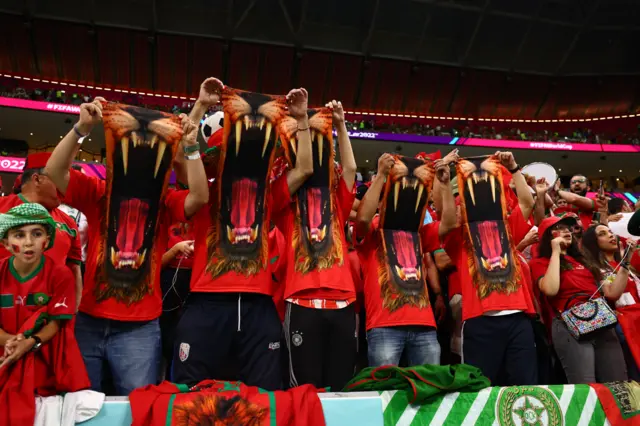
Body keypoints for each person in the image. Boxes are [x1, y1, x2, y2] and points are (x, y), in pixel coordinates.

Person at [44, 92, 210, 395]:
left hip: (140, 327)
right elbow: (53, 174)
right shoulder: (98, 193)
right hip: (90, 320)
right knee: (82, 406)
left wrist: (191, 146)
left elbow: (199, 196)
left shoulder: (164, 201)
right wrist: (81, 128)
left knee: (137, 409)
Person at [172, 86, 313, 391]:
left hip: (257, 305)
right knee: (189, 394)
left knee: (265, 396)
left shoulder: (268, 194)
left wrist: (302, 119)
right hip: (207, 302)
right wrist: (198, 107)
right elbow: (181, 166)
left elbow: (304, 168)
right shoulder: (204, 194)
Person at [276, 100, 358, 391]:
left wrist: (340, 124)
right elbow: (304, 168)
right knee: (304, 390)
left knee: (341, 386)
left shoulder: (337, 202)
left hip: (343, 302)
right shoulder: (283, 200)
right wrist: (301, 122)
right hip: (301, 302)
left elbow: (350, 168)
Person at [438, 151, 538, 386]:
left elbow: (527, 202)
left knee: (525, 385)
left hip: (517, 318)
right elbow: (449, 221)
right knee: (481, 388)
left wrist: (514, 168)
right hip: (479, 320)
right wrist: (444, 183)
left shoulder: (508, 228)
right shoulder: (460, 239)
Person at [355, 152, 456, 367]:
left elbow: (448, 223)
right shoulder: (373, 232)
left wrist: (445, 184)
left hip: (424, 325)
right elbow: (362, 218)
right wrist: (381, 175)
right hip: (384, 325)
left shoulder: (418, 232)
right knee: (386, 393)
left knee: (429, 391)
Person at [0, 203, 89, 426]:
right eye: (19, 235)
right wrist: (13, 342)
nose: (28, 242)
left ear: (47, 241)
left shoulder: (61, 275)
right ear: (5, 243)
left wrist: (29, 342)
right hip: (5, 356)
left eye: (36, 234)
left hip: (45, 362)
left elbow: (56, 324)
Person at [530, 216, 628, 384]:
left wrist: (625, 262)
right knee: (586, 386)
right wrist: (555, 251)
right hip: (568, 325)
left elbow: (611, 293)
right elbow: (550, 289)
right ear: (548, 236)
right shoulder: (539, 262)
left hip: (601, 320)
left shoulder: (583, 259)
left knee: (618, 384)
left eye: (568, 228)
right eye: (559, 228)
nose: (566, 231)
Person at [0, 153, 83, 312]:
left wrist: (72, 311)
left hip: (50, 320)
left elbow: (74, 270)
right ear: (37, 179)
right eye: (61, 179)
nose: (67, 186)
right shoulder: (2, 209)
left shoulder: (69, 223)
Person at [582, 224, 640, 380]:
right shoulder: (595, 268)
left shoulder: (627, 267)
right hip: (624, 326)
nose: (610, 235)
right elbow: (613, 293)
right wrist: (626, 261)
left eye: (610, 232)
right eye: (603, 233)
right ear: (594, 242)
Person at [159, 219, 194, 380]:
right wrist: (176, 249)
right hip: (168, 282)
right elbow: (155, 265)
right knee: (167, 339)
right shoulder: (166, 215)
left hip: (195, 284)